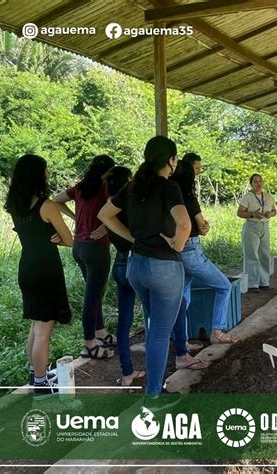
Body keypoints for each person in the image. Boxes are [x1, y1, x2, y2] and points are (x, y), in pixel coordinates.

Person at [98, 135, 192, 397]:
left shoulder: (133, 187)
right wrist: (178, 245)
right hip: (163, 268)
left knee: (155, 329)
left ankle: (157, 386)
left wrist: (132, 237)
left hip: (135, 267)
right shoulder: (168, 187)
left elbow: (104, 214)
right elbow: (185, 224)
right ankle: (154, 397)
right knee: (161, 333)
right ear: (171, 160)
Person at [5, 154, 73, 398]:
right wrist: (58, 239)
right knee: (44, 330)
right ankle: (41, 386)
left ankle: (36, 374)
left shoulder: (16, 204)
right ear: (37, 175)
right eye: (45, 170)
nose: (48, 174)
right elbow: (69, 239)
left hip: (27, 267)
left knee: (36, 325)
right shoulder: (47, 206)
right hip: (46, 269)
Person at [54, 155, 116, 360]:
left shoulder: (80, 187)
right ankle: (89, 343)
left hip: (79, 247)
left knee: (95, 291)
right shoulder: (106, 188)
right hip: (96, 249)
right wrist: (106, 226)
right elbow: (117, 213)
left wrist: (74, 216)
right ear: (109, 171)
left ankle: (101, 332)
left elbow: (56, 200)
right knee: (92, 297)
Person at [171, 160, 235, 345]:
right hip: (190, 248)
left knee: (183, 298)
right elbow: (201, 225)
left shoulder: (169, 194)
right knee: (224, 286)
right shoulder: (188, 196)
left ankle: (181, 342)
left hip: (175, 250)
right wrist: (203, 227)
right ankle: (217, 331)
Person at [103, 166, 146, 386]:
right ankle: (175, 357)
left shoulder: (109, 205)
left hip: (119, 264)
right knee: (157, 313)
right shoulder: (131, 204)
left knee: (124, 322)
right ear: (128, 181)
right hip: (138, 263)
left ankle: (127, 372)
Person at [237, 174, 277, 292]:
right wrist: (253, 214)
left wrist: (271, 214)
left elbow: (274, 210)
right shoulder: (248, 197)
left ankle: (264, 282)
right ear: (251, 184)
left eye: (260, 181)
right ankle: (252, 283)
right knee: (252, 255)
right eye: (255, 182)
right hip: (252, 226)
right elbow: (239, 213)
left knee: (264, 254)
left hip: (265, 226)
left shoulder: (268, 197)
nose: (258, 184)